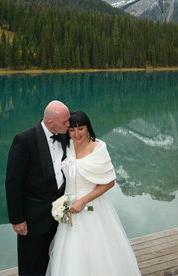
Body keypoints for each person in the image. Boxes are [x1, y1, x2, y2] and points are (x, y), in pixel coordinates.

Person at [46, 110, 140, 275]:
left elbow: (109, 182)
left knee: (98, 252)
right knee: (71, 253)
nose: (76, 134)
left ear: (88, 127)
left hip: (92, 208)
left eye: (80, 128)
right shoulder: (66, 147)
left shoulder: (98, 148)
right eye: (72, 130)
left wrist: (83, 201)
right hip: (70, 211)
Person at [6, 100, 70, 275]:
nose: (68, 124)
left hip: (59, 220)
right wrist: (17, 219)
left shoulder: (65, 136)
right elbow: (13, 183)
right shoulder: (24, 140)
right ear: (50, 123)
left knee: (56, 262)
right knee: (31, 266)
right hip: (32, 220)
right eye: (65, 122)